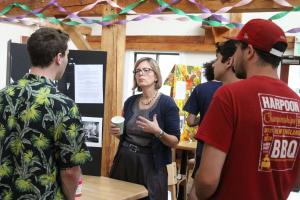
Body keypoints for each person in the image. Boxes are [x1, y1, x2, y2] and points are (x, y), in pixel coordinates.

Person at [194, 19, 300, 200]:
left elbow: (207, 180)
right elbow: (296, 182)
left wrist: (198, 192)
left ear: (249, 51)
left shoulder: (229, 96)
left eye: (237, 49)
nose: (233, 56)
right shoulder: (297, 104)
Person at [0, 28, 91, 200]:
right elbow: (71, 170)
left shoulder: (3, 95)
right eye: (67, 55)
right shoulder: (64, 105)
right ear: (58, 57)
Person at [109, 57, 180, 200]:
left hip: (151, 165)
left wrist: (158, 132)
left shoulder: (167, 104)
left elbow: (174, 141)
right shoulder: (130, 102)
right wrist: (118, 133)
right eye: (137, 71)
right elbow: (126, 136)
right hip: (124, 161)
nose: (141, 74)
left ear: (155, 76)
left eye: (146, 70)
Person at [185, 40, 238, 200]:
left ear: (228, 62)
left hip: (206, 145)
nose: (214, 64)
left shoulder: (203, 90)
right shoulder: (241, 93)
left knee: (197, 187)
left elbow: (190, 121)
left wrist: (205, 119)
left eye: (217, 59)